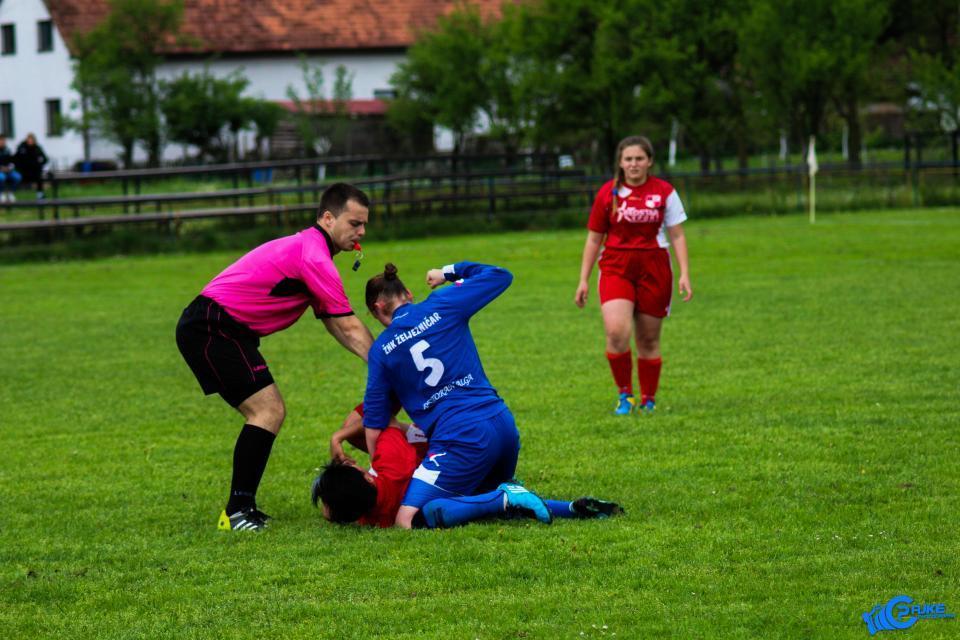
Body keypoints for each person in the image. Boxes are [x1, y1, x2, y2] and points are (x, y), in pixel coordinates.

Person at [175, 182, 374, 532]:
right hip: (213, 327)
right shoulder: (313, 256)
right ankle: (237, 512)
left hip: (221, 328)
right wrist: (388, 363)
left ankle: (241, 508)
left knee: (269, 411)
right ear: (328, 218)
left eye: (364, 224)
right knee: (267, 410)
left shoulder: (310, 250)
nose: (361, 232)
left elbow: (335, 323)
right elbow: (349, 326)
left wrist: (378, 362)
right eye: (354, 223)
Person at [362, 260, 551, 528]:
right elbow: (500, 275)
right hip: (504, 427)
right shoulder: (442, 303)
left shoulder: (381, 350)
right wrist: (446, 273)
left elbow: (374, 425)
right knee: (474, 501)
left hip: (462, 439)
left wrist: (378, 470)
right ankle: (569, 508)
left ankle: (504, 497)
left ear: (377, 309)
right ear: (409, 296)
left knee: (408, 519)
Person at [313, 405, 622, 528]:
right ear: (365, 478)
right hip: (464, 458)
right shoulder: (389, 459)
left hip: (459, 471)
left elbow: (335, 511)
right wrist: (339, 437)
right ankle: (570, 507)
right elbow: (377, 415)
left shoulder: (370, 517)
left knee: (432, 514)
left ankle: (510, 500)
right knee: (431, 512)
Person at [574, 135, 692, 415]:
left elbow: (676, 234)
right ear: (620, 162)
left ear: (649, 161)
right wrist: (583, 279)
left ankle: (648, 398)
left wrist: (685, 273)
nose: (634, 164)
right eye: (628, 159)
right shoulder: (607, 193)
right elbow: (594, 239)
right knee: (616, 333)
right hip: (616, 265)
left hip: (654, 267)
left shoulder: (664, 192)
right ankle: (624, 395)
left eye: (639, 158)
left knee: (648, 339)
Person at [14, 133, 48, 199]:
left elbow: (45, 159)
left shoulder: (37, 148)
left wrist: (39, 165)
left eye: (31, 139)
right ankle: (12, 195)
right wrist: (19, 167)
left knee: (39, 177)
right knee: (14, 178)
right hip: (24, 172)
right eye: (29, 139)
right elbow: (15, 159)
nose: (30, 141)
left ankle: (40, 195)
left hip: (34, 171)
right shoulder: (22, 148)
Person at [0, 135, 22, 204]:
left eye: (3, 141)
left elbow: (12, 161)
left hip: (8, 170)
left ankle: (11, 193)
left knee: (17, 177)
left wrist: (10, 167)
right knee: (1, 177)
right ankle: (1, 193)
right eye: (1, 141)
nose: (2, 142)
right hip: (0, 171)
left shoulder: (8, 150)